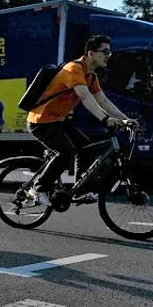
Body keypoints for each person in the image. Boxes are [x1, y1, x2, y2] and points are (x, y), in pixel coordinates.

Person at [27, 35, 133, 205]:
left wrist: (126, 120)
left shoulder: (91, 76)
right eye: (104, 52)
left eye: (109, 52)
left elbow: (103, 101)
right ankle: (37, 189)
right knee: (66, 152)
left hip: (58, 120)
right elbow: (84, 96)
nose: (108, 55)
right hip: (41, 120)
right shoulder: (73, 69)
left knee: (87, 148)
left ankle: (81, 189)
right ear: (91, 53)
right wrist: (105, 120)